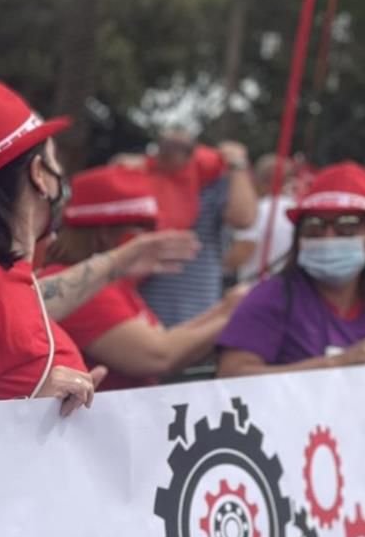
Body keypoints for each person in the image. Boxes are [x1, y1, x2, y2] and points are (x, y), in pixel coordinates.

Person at [0, 83, 194, 412]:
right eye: (56, 165)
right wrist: (24, 408)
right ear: (38, 174)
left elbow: (16, 322)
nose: (62, 179)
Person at [216, 164, 365, 401]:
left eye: (347, 227)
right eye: (314, 227)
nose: (328, 238)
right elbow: (231, 379)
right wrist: (334, 365)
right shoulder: (271, 298)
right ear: (299, 239)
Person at [43, 164, 242, 391]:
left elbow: (167, 339)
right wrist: (238, 313)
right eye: (141, 228)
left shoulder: (112, 282)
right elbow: (158, 355)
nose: (152, 238)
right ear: (104, 233)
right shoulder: (78, 286)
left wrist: (227, 308)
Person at [131, 124, 257, 326]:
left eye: (183, 147)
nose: (174, 153)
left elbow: (243, 218)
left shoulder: (213, 182)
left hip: (197, 311)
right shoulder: (143, 176)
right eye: (168, 146)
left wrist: (238, 164)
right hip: (139, 311)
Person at [226, 153, 307, 287]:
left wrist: (218, 264)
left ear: (258, 181)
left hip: (256, 291)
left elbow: (242, 252)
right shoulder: (299, 210)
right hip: (292, 289)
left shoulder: (256, 211)